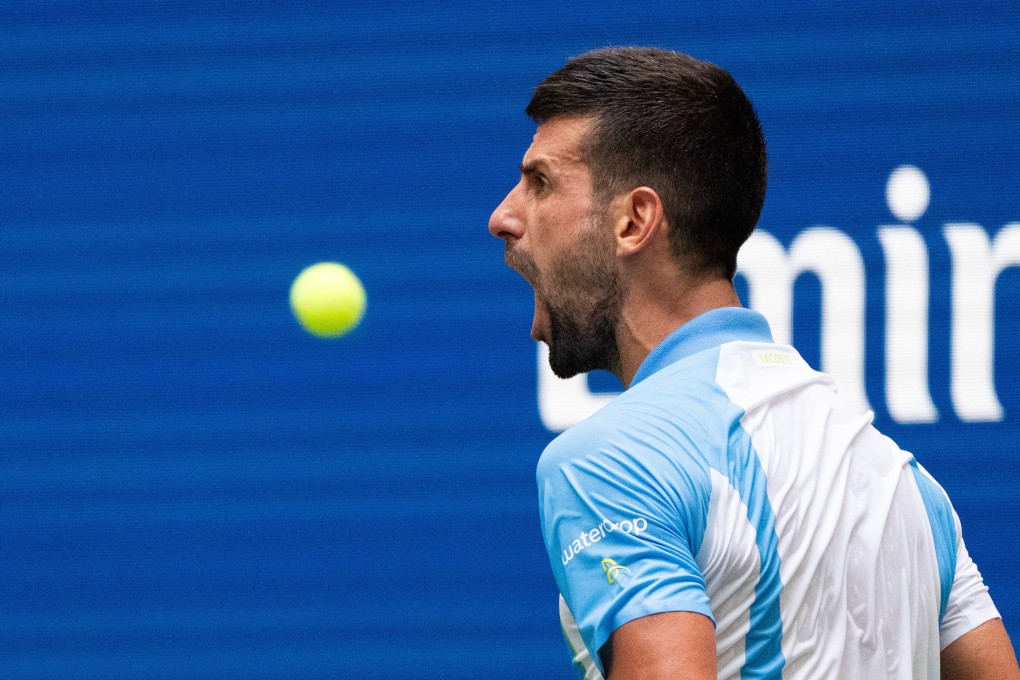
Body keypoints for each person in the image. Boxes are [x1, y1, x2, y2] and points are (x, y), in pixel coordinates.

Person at [488, 47, 1018, 680]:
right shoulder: (909, 487)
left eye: (540, 182)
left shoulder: (611, 461)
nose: (504, 217)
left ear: (634, 221)